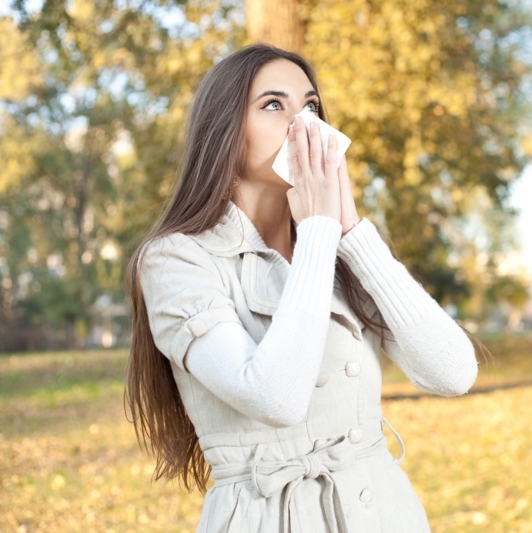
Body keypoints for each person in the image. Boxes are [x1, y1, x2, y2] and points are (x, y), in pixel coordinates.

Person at [125, 43, 478, 533]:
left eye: (311, 106)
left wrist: (350, 231)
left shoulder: (338, 248)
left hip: (382, 513)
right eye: (274, 105)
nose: (305, 125)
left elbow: (453, 373)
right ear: (224, 131)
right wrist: (317, 232)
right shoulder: (176, 259)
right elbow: (277, 398)